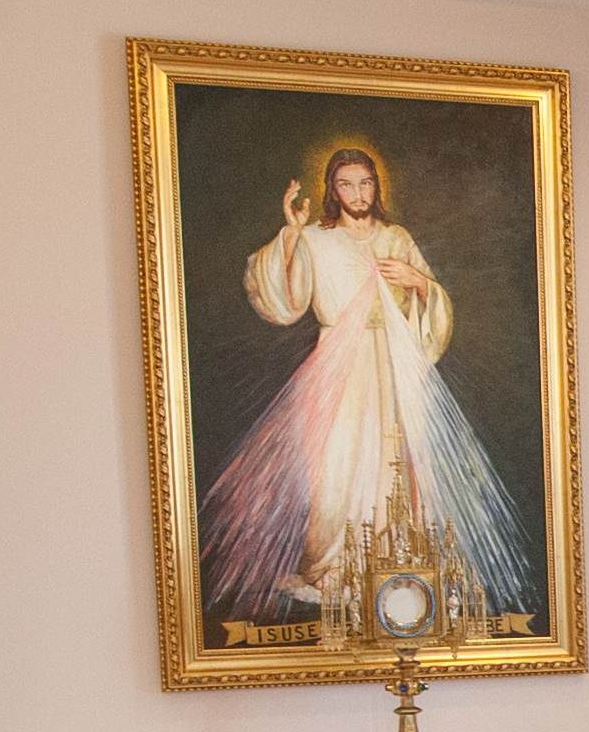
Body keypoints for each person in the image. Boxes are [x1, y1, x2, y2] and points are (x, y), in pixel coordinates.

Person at [205, 137, 545, 632]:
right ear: (332, 191)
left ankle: (399, 566)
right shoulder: (317, 239)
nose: (357, 192)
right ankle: (333, 567)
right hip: (338, 369)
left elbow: (435, 308)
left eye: (364, 183)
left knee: (399, 462)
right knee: (336, 469)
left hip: (393, 364)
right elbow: (287, 301)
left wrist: (418, 281)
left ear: (375, 187)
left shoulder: (396, 238)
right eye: (346, 184)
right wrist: (291, 235)